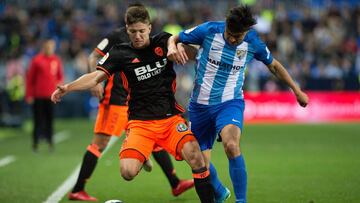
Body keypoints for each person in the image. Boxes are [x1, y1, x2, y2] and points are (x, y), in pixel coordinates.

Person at [51, 4, 214, 203]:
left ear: (149, 28)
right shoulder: (120, 53)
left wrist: (178, 45)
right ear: (127, 30)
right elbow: (95, 77)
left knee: (197, 157)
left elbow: (188, 48)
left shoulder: (163, 41)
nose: (137, 36)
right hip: (140, 123)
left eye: (142, 31)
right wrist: (67, 87)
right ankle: (142, 153)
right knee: (127, 172)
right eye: (133, 32)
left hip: (170, 120)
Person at [168, 5, 309, 203]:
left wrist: (297, 90)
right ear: (226, 25)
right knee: (200, 164)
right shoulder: (209, 31)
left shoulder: (252, 42)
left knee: (231, 145)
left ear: (247, 32)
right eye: (231, 34)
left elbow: (274, 66)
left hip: (229, 102)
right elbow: (175, 37)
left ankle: (241, 201)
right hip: (199, 106)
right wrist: (174, 46)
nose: (234, 40)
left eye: (239, 36)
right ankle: (219, 190)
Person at [25, 38, 64, 152]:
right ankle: (35, 143)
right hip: (38, 96)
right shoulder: (36, 60)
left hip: (51, 96)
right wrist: (29, 95)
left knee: (50, 120)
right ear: (44, 46)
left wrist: (59, 86)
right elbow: (30, 79)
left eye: (52, 46)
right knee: (38, 120)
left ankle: (50, 143)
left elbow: (60, 76)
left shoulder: (56, 60)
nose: (50, 48)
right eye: (48, 46)